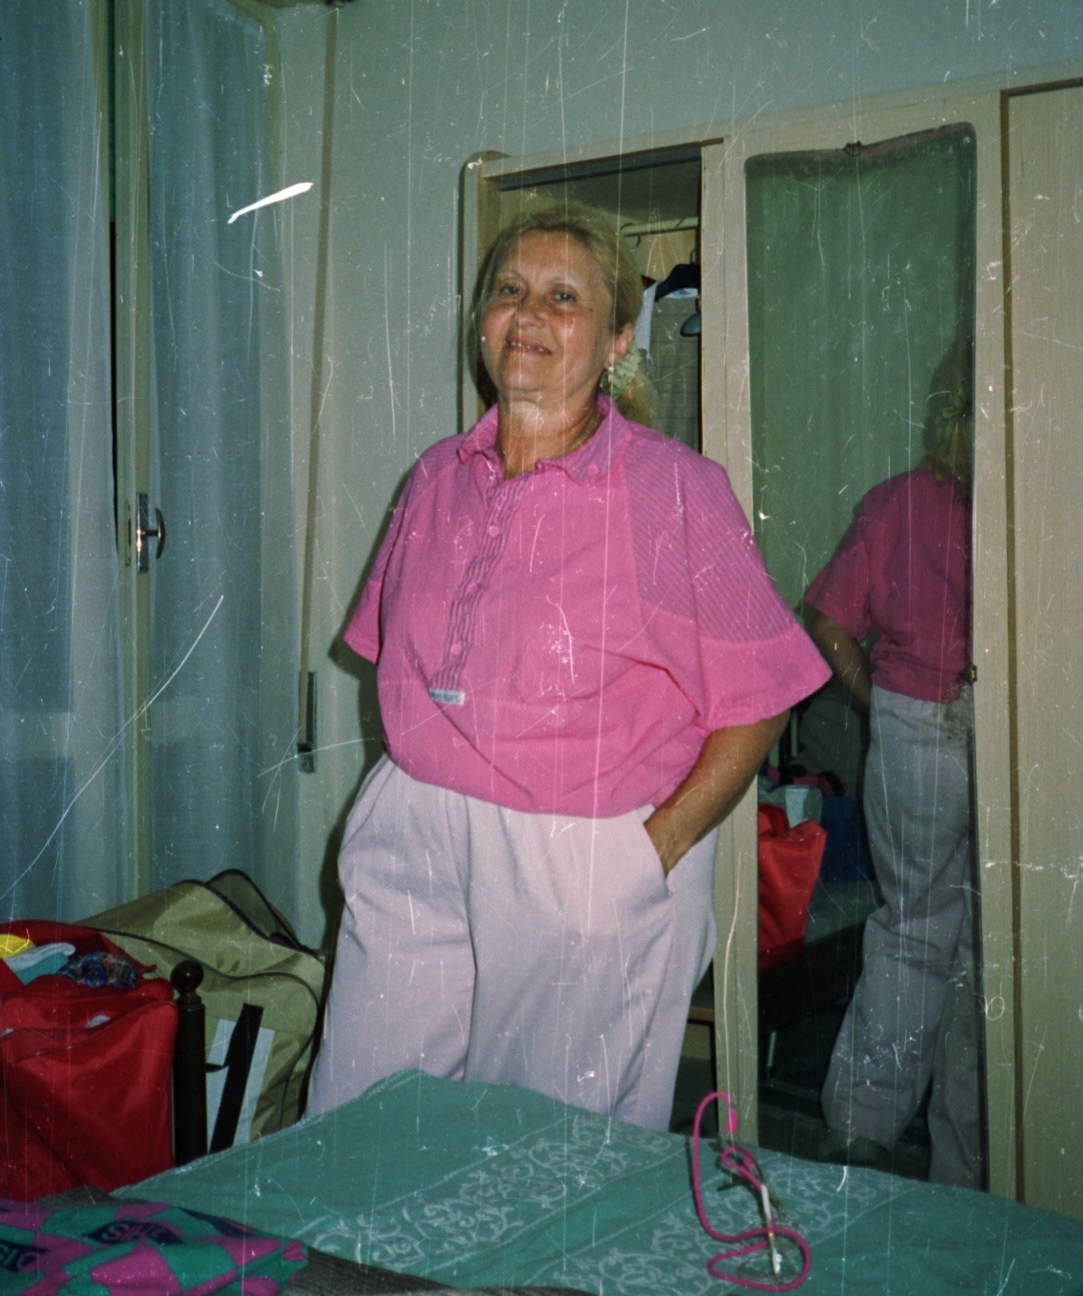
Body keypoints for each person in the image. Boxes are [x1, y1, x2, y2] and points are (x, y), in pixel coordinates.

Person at [307, 203, 829, 1130]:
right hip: (416, 835)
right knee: (362, 1123)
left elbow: (760, 699)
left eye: (562, 297)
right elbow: (394, 655)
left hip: (576, 855)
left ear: (619, 337)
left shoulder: (674, 488)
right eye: (508, 291)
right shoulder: (434, 475)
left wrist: (650, 850)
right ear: (481, 320)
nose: (529, 315)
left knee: (540, 1157)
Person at [806, 348, 980, 1185]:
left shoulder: (903, 501)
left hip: (916, 720)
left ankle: (864, 1129)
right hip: (957, 723)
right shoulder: (1026, 504)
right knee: (974, 945)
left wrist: (881, 700)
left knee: (915, 929)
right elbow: (827, 618)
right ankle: (965, 1159)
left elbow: (828, 617)